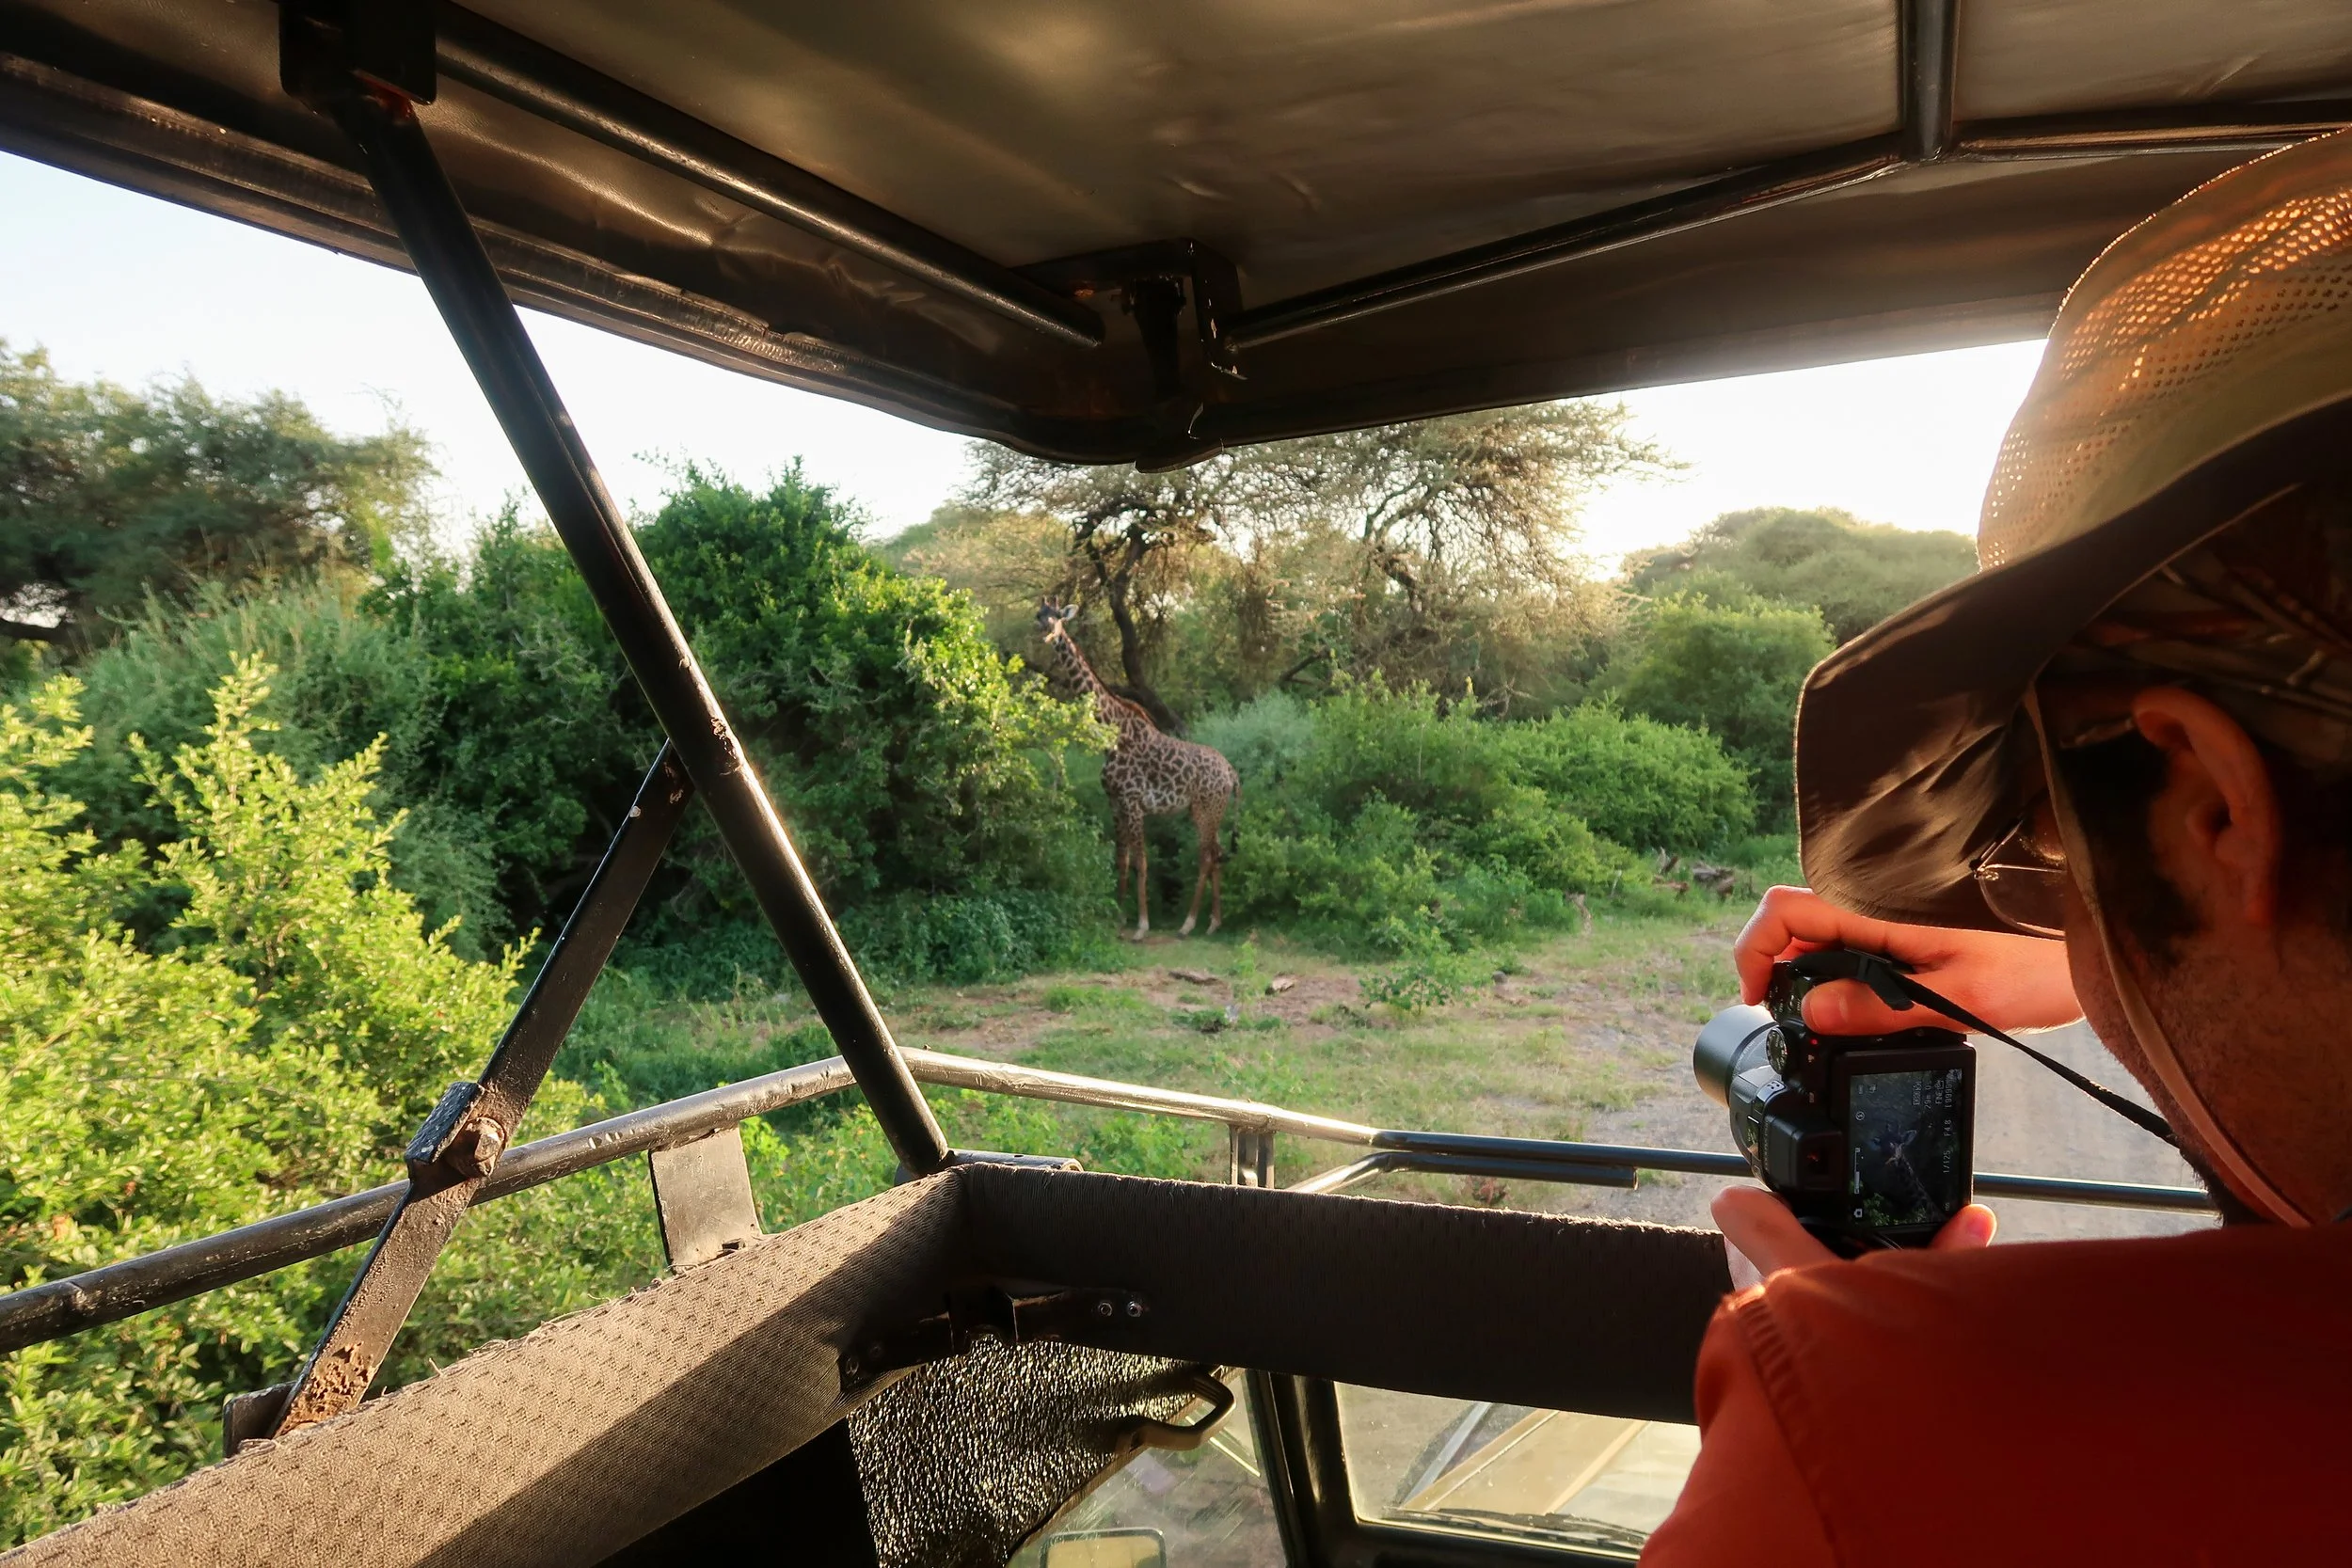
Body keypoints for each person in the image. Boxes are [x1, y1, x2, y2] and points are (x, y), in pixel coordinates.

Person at [1641, 132, 2352, 1564]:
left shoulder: (1869, 1414)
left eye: (2049, 860)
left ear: (2216, 803)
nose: (2057, 926)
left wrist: (1821, 1361)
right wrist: (2093, 960)